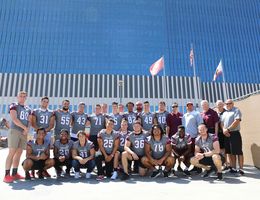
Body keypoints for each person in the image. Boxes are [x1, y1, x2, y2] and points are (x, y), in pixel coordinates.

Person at [4, 91, 32, 183]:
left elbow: (29, 121)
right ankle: (6, 175)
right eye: (21, 96)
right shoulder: (14, 105)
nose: (22, 97)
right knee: (12, 152)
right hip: (15, 130)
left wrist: (27, 129)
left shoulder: (28, 109)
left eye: (24, 96)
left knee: (19, 153)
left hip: (23, 132)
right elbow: (14, 119)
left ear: (26, 97)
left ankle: (14, 173)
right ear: (17, 97)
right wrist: (24, 128)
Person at [221, 99, 244, 175]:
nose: (228, 105)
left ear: (233, 103)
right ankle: (233, 168)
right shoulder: (224, 113)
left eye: (229, 103)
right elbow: (221, 123)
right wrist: (224, 129)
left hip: (234, 134)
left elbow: (237, 121)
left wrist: (227, 129)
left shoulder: (236, 110)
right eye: (226, 103)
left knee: (238, 152)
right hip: (226, 134)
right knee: (230, 152)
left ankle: (241, 169)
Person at [215, 100, 228, 169]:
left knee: (225, 149)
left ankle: (226, 163)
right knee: (220, 149)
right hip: (218, 133)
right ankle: (222, 163)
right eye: (218, 104)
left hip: (226, 132)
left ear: (223, 105)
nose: (219, 105)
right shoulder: (216, 113)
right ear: (216, 106)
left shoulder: (226, 112)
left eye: (220, 104)